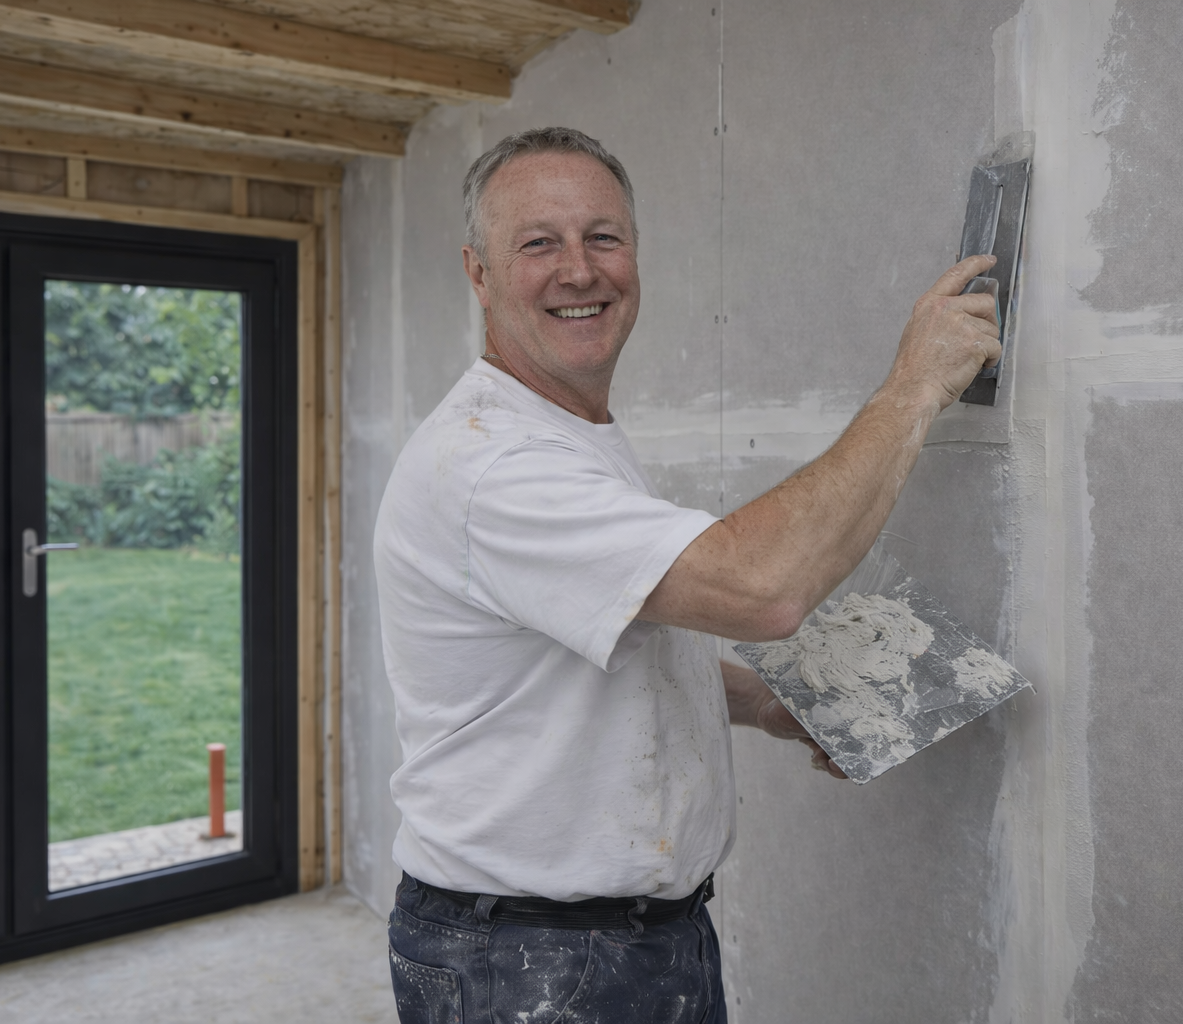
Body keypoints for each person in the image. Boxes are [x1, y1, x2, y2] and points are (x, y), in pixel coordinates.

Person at [374, 126, 1000, 1024]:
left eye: (603, 236)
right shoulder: (493, 468)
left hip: (628, 941)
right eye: (538, 243)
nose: (579, 270)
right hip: (532, 962)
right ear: (478, 273)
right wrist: (913, 389)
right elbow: (763, 589)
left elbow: (590, 656)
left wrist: (766, 705)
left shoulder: (566, 434)